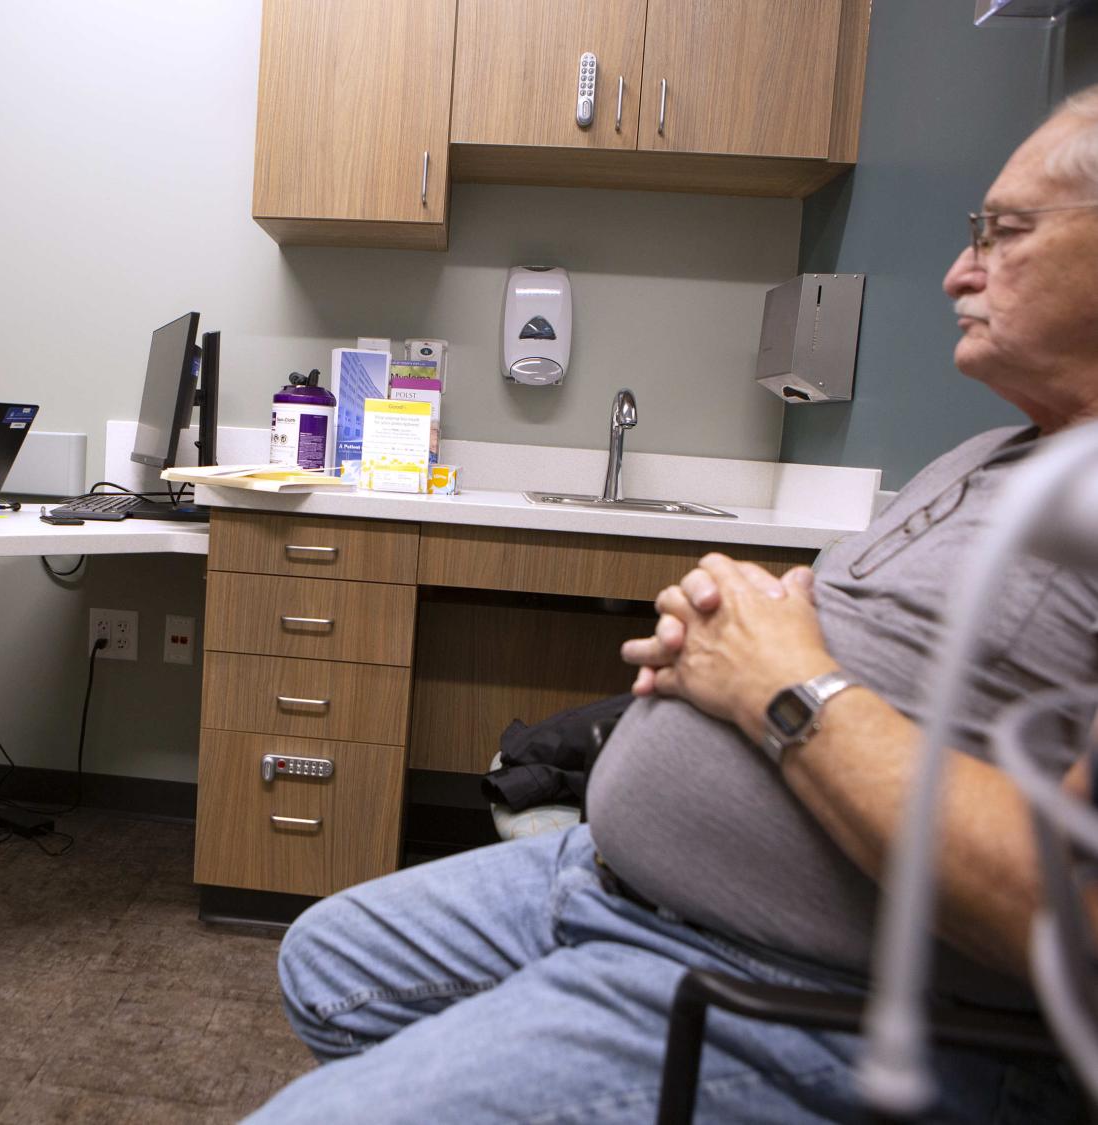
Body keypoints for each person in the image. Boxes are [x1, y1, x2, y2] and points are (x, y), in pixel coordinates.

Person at [247, 86, 1098, 1123]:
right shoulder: (999, 452)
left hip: (794, 989)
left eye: (1005, 233)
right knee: (331, 961)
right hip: (619, 877)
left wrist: (777, 683)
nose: (959, 270)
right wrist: (716, 638)